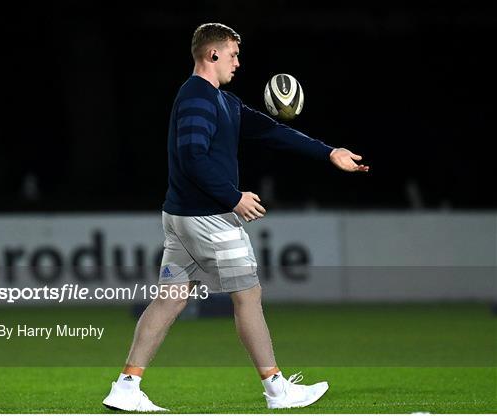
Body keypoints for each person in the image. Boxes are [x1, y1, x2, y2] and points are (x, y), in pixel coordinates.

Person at [103, 22, 369, 412]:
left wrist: (328, 152)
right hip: (208, 220)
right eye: (233, 54)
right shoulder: (196, 97)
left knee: (169, 300)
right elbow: (192, 156)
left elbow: (273, 131)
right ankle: (277, 389)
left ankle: (126, 386)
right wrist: (234, 198)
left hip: (181, 220)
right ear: (212, 54)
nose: (238, 63)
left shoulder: (221, 102)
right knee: (248, 297)